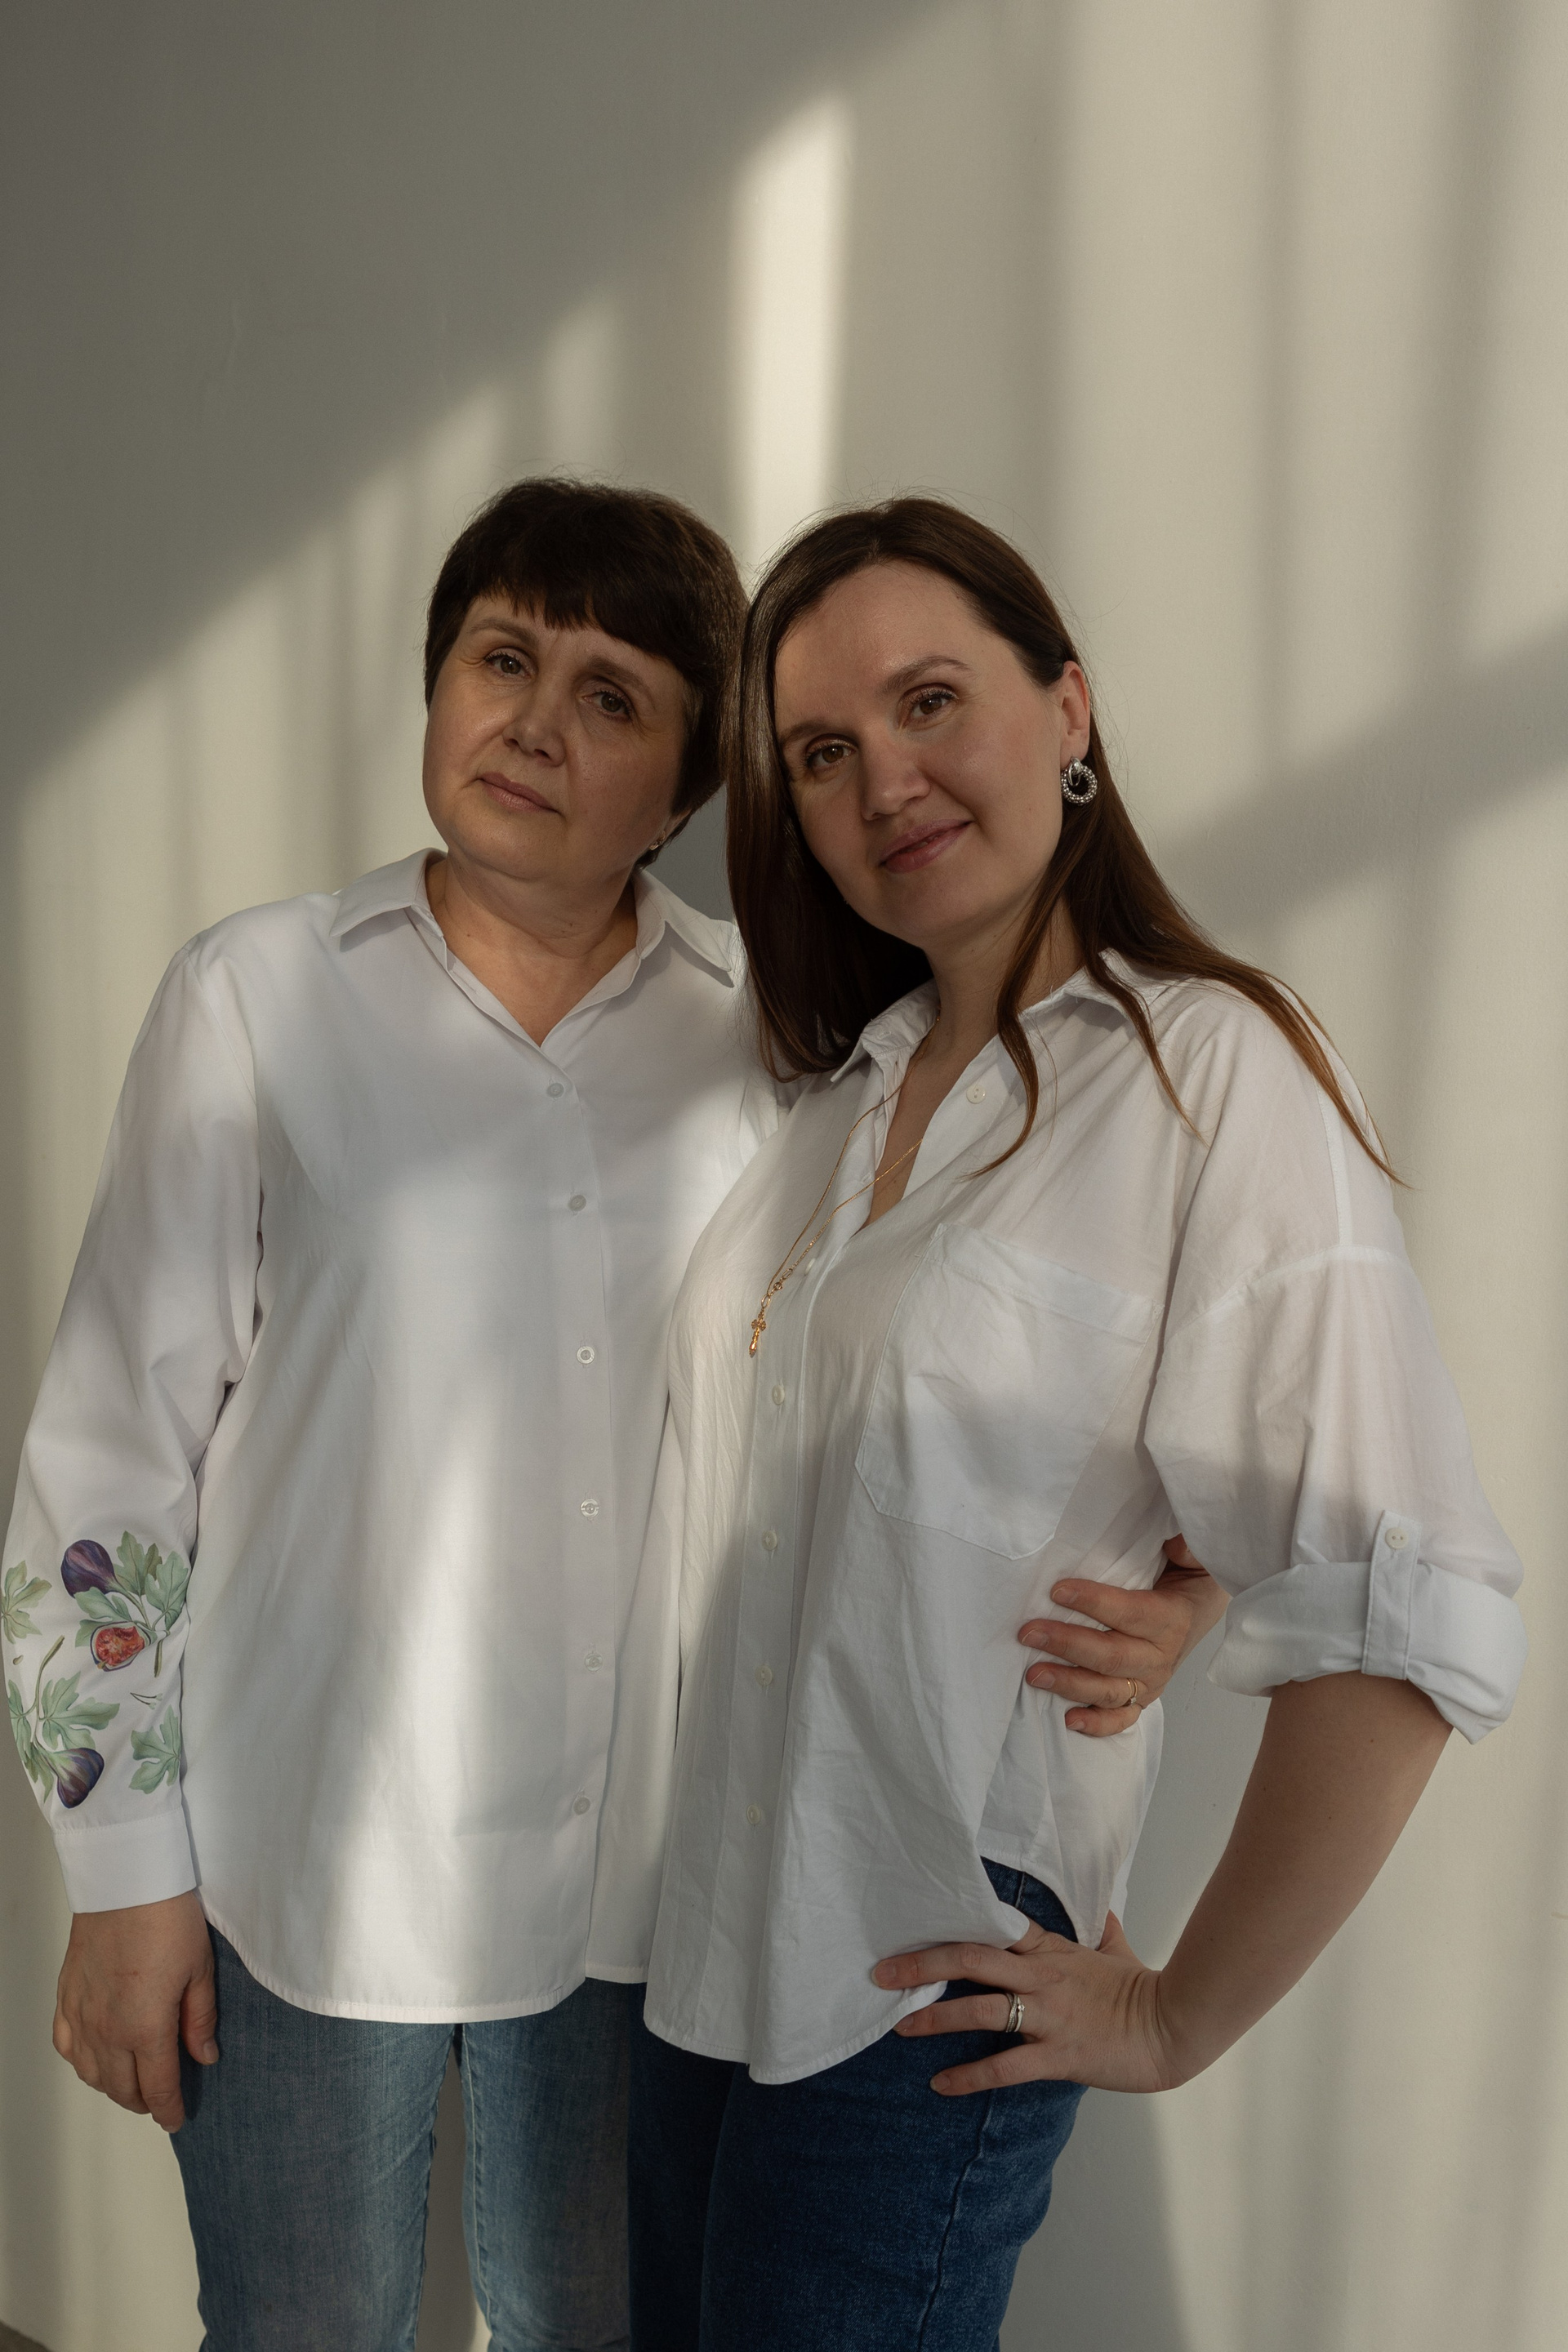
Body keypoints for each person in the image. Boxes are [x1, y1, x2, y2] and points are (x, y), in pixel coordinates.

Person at [2, 479, 1212, 2352]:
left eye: (612, 696)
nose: (534, 726)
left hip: (640, 1906)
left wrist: (1192, 1591)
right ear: (435, 689)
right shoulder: (256, 1000)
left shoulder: (782, 1042)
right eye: (502, 660)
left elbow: (956, 1355)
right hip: (295, 1861)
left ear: (687, 790)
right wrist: (119, 1878)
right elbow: (105, 1466)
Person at [625, 497, 1528, 2352]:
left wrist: (1178, 2016)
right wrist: (1187, 1580)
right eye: (822, 753)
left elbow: (1399, 1596)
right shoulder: (830, 1103)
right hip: (700, 1945)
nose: (886, 781)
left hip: (919, 1979)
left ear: (1069, 708)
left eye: (931, 701)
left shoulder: (1210, 1075)